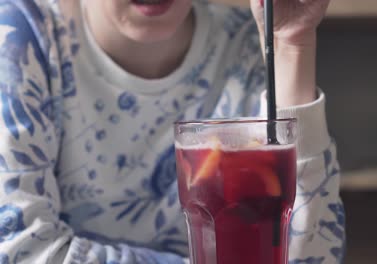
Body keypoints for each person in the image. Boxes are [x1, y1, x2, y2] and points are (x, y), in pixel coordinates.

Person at [0, 0, 345, 263]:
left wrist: (292, 45)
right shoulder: (22, 36)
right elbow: (20, 248)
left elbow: (312, 254)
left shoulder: (253, 44)